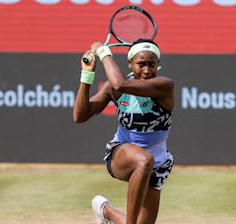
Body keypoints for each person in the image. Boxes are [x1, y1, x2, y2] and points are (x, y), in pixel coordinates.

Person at [73, 39, 175, 224]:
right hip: (121, 154)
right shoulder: (114, 90)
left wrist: (104, 53)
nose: (146, 70)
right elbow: (80, 116)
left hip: (159, 165)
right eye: (141, 64)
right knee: (144, 160)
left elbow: (119, 83)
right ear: (130, 64)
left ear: (158, 65)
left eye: (151, 64)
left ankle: (105, 211)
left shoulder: (164, 86)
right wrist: (86, 76)